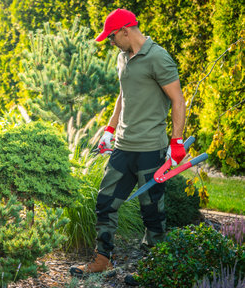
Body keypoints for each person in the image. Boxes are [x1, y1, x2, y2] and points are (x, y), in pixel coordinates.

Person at [70, 8, 186, 277]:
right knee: (105, 201)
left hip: (150, 148)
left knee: (151, 211)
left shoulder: (158, 57)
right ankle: (102, 259)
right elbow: (124, 94)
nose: (110, 43)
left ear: (125, 30)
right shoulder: (123, 58)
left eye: (111, 37)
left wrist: (176, 141)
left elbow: (178, 100)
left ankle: (153, 267)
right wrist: (110, 128)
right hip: (123, 146)